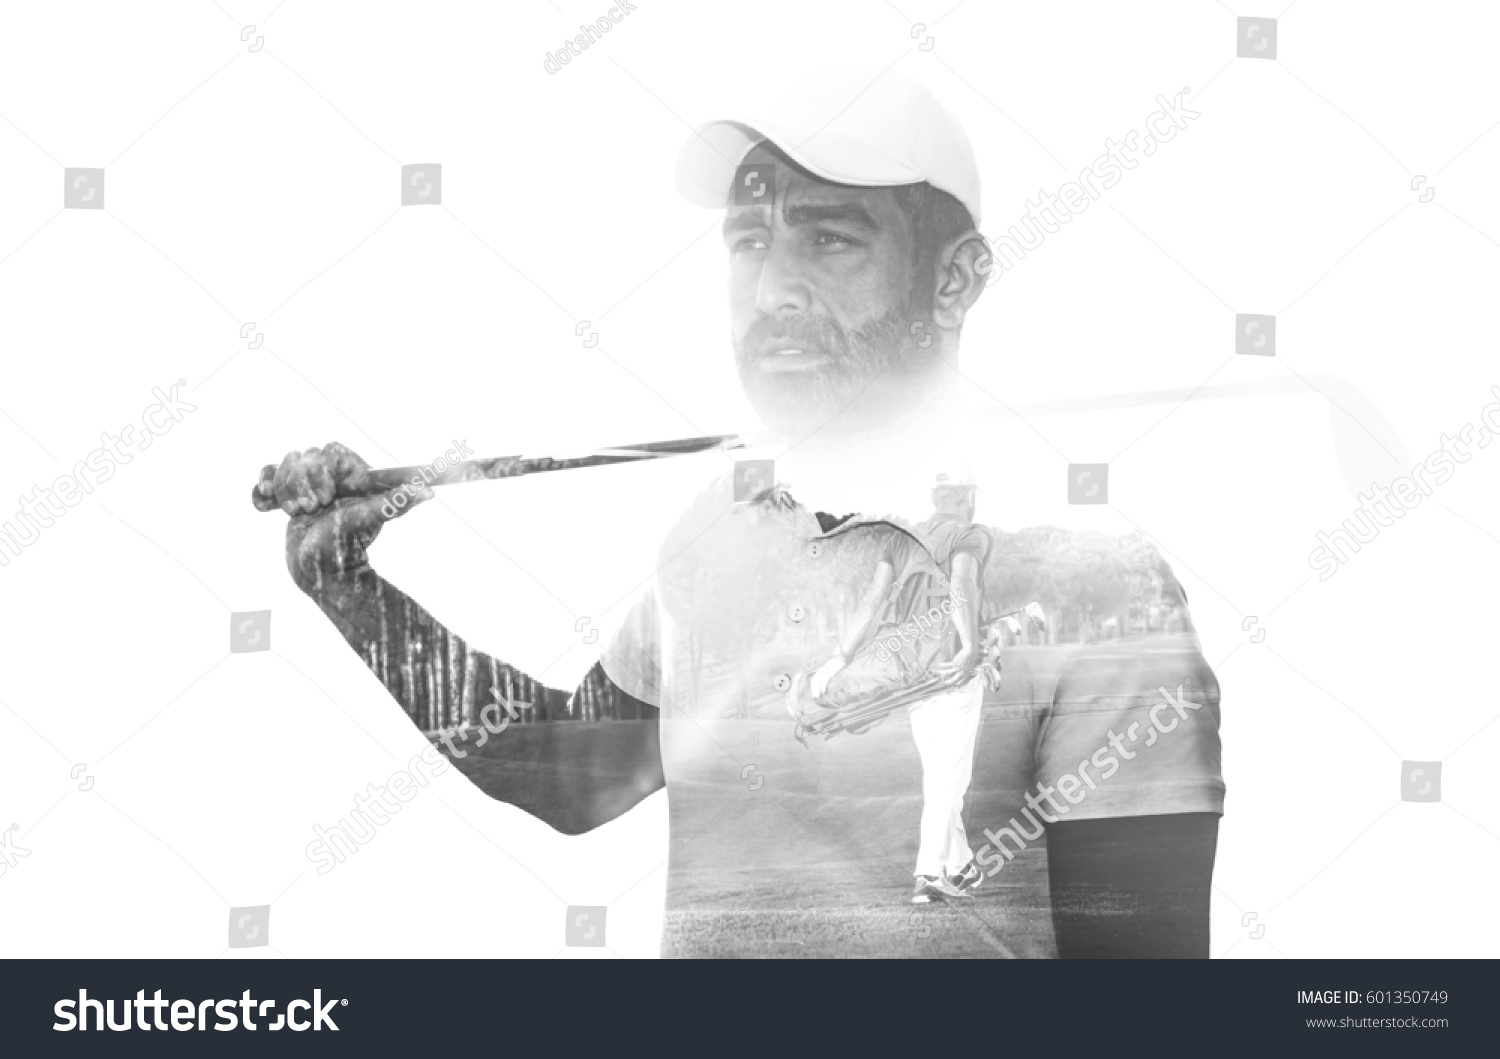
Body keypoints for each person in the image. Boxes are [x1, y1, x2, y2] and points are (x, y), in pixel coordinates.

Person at [255, 68, 1223, 957]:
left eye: (831, 238)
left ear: (957, 277)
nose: (772, 290)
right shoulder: (714, 534)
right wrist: (349, 588)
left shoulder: (1095, 579)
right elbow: (572, 777)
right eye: (749, 242)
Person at [805, 470, 991, 905]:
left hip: (910, 672)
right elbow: (962, 583)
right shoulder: (970, 535)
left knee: (942, 776)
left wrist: (838, 659)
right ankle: (929, 874)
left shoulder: (900, 539)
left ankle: (960, 867)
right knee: (950, 778)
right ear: (966, 498)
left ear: (933, 495)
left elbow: (872, 600)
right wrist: (970, 646)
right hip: (951, 670)